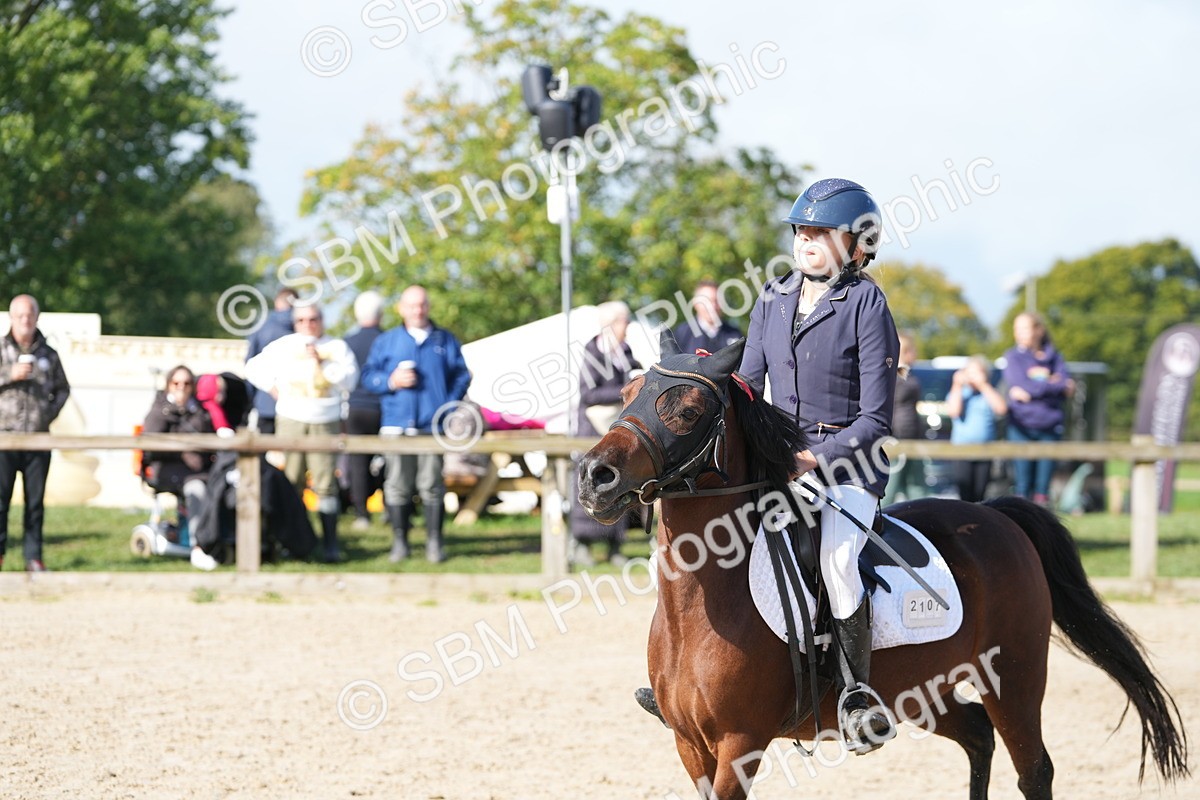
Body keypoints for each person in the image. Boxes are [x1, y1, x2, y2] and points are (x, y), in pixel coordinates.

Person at [739, 178, 899, 752]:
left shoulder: (865, 303)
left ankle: (857, 696)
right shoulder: (772, 297)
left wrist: (813, 458)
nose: (805, 239)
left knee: (834, 563)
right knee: (712, 545)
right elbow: (747, 385)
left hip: (847, 467)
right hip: (779, 463)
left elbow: (877, 419)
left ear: (857, 245)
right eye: (801, 229)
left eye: (819, 231)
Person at [362, 286, 470, 563]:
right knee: (396, 484)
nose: (417, 310)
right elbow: (367, 376)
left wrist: (447, 403)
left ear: (428, 306)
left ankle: (435, 543)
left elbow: (462, 375)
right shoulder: (387, 341)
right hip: (396, 425)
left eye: (422, 304)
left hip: (431, 427)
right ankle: (400, 543)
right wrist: (390, 381)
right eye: (411, 305)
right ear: (401, 308)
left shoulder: (444, 339)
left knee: (431, 485)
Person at [244, 304, 359, 562]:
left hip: (325, 419)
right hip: (292, 419)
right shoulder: (284, 345)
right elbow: (252, 367)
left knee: (325, 483)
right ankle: (295, 541)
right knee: (292, 480)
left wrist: (323, 363)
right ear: (295, 323)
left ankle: (330, 545)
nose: (308, 325)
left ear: (322, 320)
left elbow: (350, 381)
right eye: (302, 320)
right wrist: (273, 388)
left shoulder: (336, 347)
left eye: (313, 319)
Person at [0, 295, 70, 572]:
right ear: (12, 318)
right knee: (0, 502)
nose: (25, 320)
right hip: (4, 440)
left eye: (30, 315)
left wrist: (46, 414)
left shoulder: (49, 354)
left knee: (35, 504)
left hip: (38, 439)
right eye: (20, 315)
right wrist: (9, 375)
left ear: (37, 317)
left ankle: (33, 558)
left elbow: (64, 390)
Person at [572, 301, 642, 567]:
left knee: (619, 485)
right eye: (625, 321)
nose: (628, 326)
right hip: (591, 432)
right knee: (589, 486)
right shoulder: (594, 353)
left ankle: (615, 546)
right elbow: (588, 394)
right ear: (613, 324)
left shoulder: (625, 352)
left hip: (614, 432)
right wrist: (625, 389)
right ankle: (582, 545)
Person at [141, 365, 219, 571]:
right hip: (167, 468)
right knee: (196, 490)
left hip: (199, 470)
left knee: (218, 486)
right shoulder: (159, 409)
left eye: (186, 383)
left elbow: (208, 436)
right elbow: (150, 441)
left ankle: (220, 541)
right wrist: (172, 412)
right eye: (176, 383)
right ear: (168, 385)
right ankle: (198, 547)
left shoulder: (199, 410)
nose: (181, 388)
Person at [1003, 312, 1074, 505]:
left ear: (1038, 330)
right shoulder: (1012, 357)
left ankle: (1042, 530)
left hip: (1050, 427)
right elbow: (1018, 383)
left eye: (1024, 328)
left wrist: (1032, 388)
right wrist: (1051, 383)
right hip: (1021, 427)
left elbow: (1066, 386)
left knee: (1043, 488)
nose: (1019, 333)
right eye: (1016, 329)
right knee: (1022, 484)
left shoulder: (1055, 357)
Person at [341, 291, 386, 530]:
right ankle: (390, 507)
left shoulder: (347, 343)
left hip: (356, 409)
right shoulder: (388, 340)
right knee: (390, 457)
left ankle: (362, 514)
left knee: (357, 461)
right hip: (384, 408)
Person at [946, 355, 1008, 502]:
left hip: (984, 450)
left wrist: (983, 385)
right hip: (962, 450)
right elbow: (953, 411)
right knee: (964, 492)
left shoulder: (988, 393)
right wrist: (957, 385)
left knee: (980, 492)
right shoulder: (960, 393)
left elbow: (1001, 409)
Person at [881, 331, 926, 507]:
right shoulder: (896, 375)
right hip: (898, 437)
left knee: (914, 487)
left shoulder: (897, 373)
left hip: (908, 436)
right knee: (893, 487)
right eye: (912, 350)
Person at [244, 287, 297, 434]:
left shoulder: (262, 328)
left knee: (265, 449)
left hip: (265, 401)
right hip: (297, 405)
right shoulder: (304, 327)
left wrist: (252, 398)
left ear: (277, 303)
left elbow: (249, 364)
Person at [671, 280, 742, 356]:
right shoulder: (682, 334)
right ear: (695, 303)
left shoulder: (735, 335)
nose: (713, 306)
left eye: (717, 301)